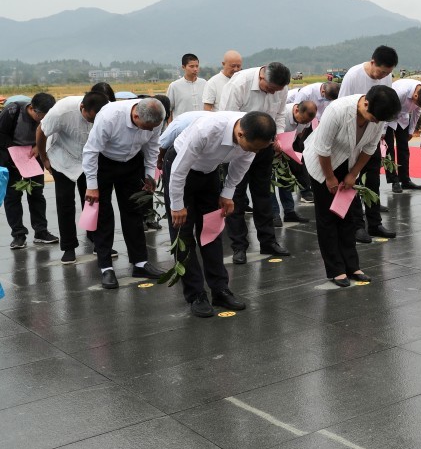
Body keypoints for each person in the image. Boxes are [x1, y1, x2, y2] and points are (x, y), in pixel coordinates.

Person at [164, 111, 277, 317]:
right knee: (183, 234)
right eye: (253, 148)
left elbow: (242, 163)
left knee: (212, 230)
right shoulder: (206, 130)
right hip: (181, 169)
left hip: (209, 172)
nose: (255, 152)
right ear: (240, 134)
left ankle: (220, 289)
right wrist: (177, 204)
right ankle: (196, 294)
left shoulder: (253, 134)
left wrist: (227, 193)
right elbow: (179, 169)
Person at [304, 86, 401, 286]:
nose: (376, 122)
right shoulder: (337, 111)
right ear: (366, 103)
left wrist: (353, 174)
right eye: (374, 117)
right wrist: (330, 177)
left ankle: (352, 266)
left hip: (348, 163)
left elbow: (370, 148)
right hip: (322, 164)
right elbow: (322, 149)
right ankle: (336, 270)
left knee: (347, 217)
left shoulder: (377, 116)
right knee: (328, 218)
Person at [82, 97, 167, 288]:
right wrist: (92, 185)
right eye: (146, 128)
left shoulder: (154, 120)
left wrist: (149, 175)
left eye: (152, 128)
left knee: (134, 211)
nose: (149, 131)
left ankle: (140, 263)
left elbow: (152, 147)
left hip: (132, 163)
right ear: (136, 116)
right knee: (103, 215)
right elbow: (91, 150)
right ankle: (106, 267)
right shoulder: (110, 117)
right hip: (104, 162)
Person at [217, 61, 292, 263]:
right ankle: (239, 246)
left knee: (263, 194)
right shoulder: (239, 84)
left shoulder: (280, 88)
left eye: (277, 90)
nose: (273, 93)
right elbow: (226, 118)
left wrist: (279, 137)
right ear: (261, 76)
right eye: (270, 89)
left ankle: (268, 241)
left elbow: (280, 114)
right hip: (239, 147)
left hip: (265, 146)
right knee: (236, 196)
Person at [36, 91, 111, 264]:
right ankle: (69, 247)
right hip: (62, 157)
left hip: (88, 159)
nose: (92, 121)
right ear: (82, 107)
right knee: (65, 203)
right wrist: (44, 158)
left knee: (92, 201)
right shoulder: (61, 111)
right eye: (90, 118)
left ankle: (97, 241)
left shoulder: (105, 112)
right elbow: (41, 131)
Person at [339, 45, 399, 243]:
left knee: (372, 180)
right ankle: (357, 226)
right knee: (353, 181)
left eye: (388, 73)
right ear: (373, 62)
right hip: (352, 137)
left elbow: (387, 105)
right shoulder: (353, 75)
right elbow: (342, 106)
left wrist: (381, 133)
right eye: (381, 72)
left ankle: (375, 223)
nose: (383, 76)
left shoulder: (386, 77)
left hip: (373, 135)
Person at [1, 92, 58, 249]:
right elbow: (1, 134)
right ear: (32, 108)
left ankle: (41, 232)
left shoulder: (48, 117)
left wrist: (38, 147)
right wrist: (14, 154)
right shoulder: (12, 111)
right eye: (40, 116)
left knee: (36, 194)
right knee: (13, 196)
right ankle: (18, 235)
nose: (42, 120)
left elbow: (50, 134)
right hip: (11, 158)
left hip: (33, 157)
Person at [272, 100, 317, 226]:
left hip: (286, 149)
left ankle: (289, 212)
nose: (304, 123)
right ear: (296, 110)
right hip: (270, 147)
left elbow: (299, 134)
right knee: (270, 181)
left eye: (306, 122)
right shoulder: (282, 114)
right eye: (303, 121)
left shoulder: (305, 120)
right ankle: (274, 214)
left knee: (285, 179)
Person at [385, 79, 421, 193]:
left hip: (403, 118)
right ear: (415, 95)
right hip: (388, 116)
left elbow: (417, 112)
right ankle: (394, 180)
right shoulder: (400, 91)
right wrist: (382, 130)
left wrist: (411, 130)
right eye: (416, 103)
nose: (415, 106)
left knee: (404, 149)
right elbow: (387, 108)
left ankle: (405, 180)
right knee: (389, 149)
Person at [166, 53, 207, 118]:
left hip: (201, 122)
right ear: (183, 67)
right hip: (182, 123)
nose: (195, 69)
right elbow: (168, 110)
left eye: (197, 66)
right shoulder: (174, 86)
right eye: (191, 66)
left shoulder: (204, 83)